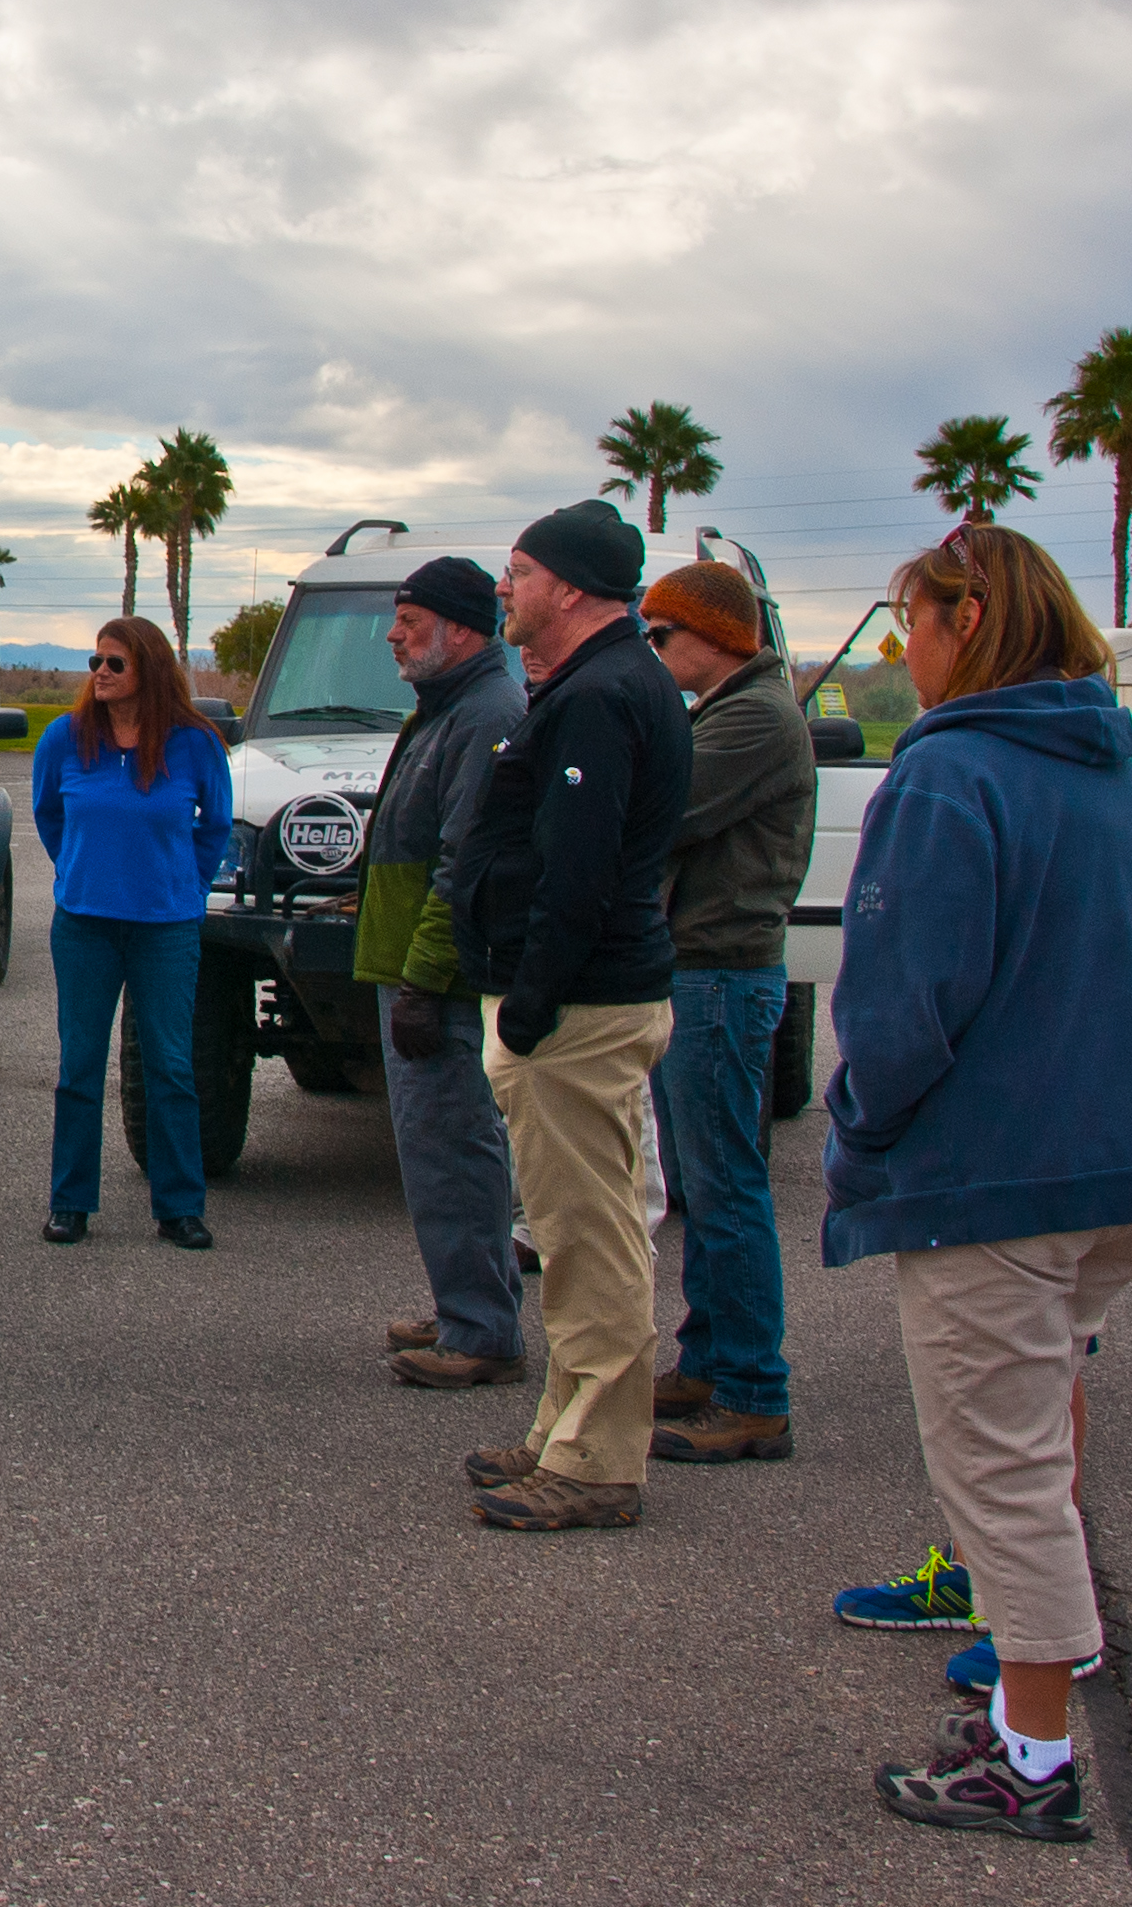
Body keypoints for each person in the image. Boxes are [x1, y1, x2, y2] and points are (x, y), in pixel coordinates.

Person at [825, 525, 1132, 1845]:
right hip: (1111, 1161)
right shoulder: (1103, 764)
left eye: (907, 622)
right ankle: (1016, 1715)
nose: (900, 649)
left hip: (995, 1174)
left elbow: (902, 998)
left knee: (1001, 1470)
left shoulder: (950, 772)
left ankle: (1029, 1754)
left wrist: (861, 1126)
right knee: (1038, 1429)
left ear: (966, 620)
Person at [444, 500, 690, 1532]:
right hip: (580, 1002)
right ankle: (564, 1429)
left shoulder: (600, 695)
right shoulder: (599, 682)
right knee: (577, 1229)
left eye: (520, 570)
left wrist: (530, 1004)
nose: (504, 587)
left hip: (578, 1010)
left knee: (588, 1242)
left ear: (574, 587)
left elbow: (578, 870)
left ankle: (595, 1462)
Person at [636, 560, 818, 1465]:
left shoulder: (754, 718)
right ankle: (708, 1362)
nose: (653, 649)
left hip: (721, 973)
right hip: (703, 970)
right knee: (704, 1189)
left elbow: (663, 812)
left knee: (727, 1189)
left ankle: (752, 1392)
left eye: (661, 635)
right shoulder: (728, 709)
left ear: (713, 636)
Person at [353, 558, 529, 1381]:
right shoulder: (448, 706)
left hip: (443, 977)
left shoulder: (488, 712)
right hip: (414, 964)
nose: (393, 635)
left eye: (410, 621)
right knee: (438, 1153)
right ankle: (468, 1306)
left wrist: (424, 981)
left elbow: (466, 864)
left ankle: (482, 1331)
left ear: (460, 629)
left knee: (455, 1149)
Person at [32, 615, 232, 1250]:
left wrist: (187, 887)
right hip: (84, 926)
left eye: (114, 663)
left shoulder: (195, 744)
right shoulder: (65, 738)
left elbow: (215, 827)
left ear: (149, 669)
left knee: (170, 1066)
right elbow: (48, 814)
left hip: (165, 929)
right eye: (95, 662)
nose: (100, 673)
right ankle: (70, 1202)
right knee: (79, 1066)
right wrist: (77, 870)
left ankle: (180, 1207)